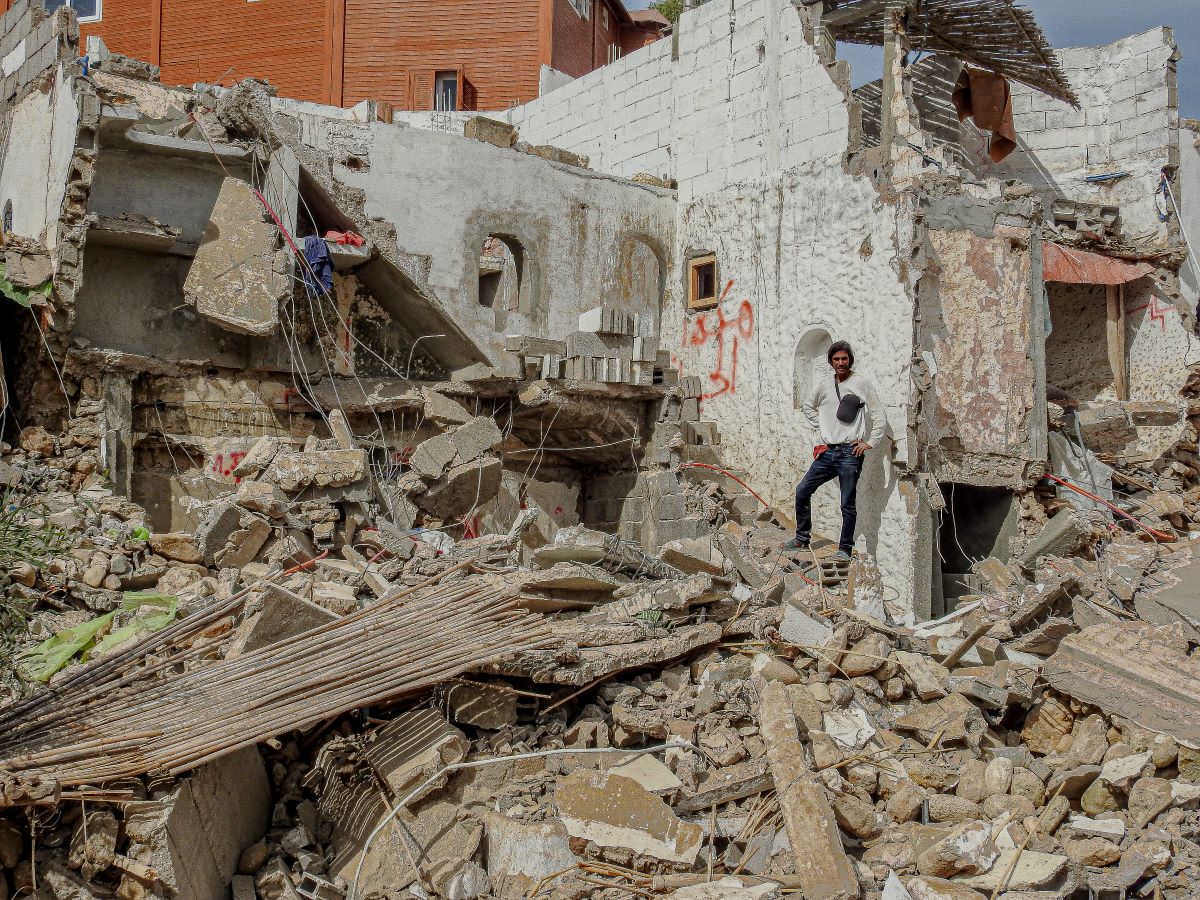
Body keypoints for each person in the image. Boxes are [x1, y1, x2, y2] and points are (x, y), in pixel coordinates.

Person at [786, 341, 885, 562]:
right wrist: (822, 429)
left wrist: (870, 442)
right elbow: (807, 406)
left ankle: (845, 549)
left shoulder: (861, 383)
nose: (841, 363)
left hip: (851, 453)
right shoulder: (824, 385)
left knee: (847, 504)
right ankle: (802, 537)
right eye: (836, 359)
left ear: (850, 360)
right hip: (828, 451)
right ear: (830, 361)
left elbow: (879, 414)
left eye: (844, 358)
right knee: (803, 490)